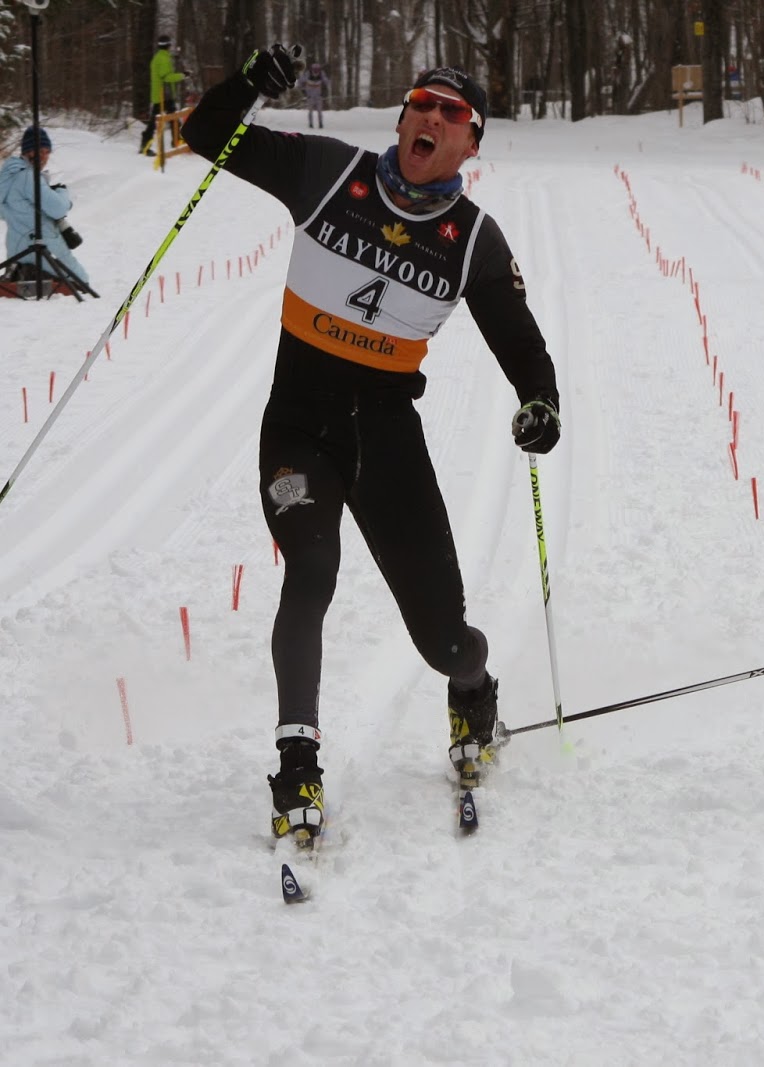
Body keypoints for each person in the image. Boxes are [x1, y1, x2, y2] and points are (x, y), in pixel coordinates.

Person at [181, 46, 563, 843]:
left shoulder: (472, 240)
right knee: (311, 569)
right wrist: (250, 83)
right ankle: (297, 763)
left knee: (445, 640)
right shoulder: (326, 173)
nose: (431, 117)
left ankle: (473, 689)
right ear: (401, 118)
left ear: (471, 142)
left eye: (451, 112)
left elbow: (523, 346)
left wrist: (541, 404)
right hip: (300, 429)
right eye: (421, 102)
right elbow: (206, 134)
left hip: (386, 441)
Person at [0, 126, 90, 288]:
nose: (44, 157)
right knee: (81, 282)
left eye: (47, 152)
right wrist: (62, 192)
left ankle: (22, 272)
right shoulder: (28, 176)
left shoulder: (9, 176)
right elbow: (58, 209)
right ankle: (33, 274)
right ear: (27, 151)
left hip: (17, 250)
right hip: (39, 247)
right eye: (39, 151)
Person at [138, 33, 188, 156]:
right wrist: (183, 75)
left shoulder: (160, 57)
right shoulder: (163, 59)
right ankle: (145, 147)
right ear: (168, 45)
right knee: (154, 122)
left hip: (164, 94)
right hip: (163, 95)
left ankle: (176, 141)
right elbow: (167, 77)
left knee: (173, 118)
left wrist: (175, 58)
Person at [299, 60, 333, 129]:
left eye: (317, 69)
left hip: (318, 96)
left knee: (319, 111)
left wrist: (329, 82)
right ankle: (311, 124)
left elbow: (326, 81)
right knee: (310, 111)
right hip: (310, 96)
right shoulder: (308, 74)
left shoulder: (321, 74)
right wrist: (302, 89)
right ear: (312, 69)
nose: (316, 71)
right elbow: (301, 81)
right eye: (314, 69)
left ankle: (320, 124)